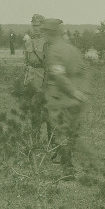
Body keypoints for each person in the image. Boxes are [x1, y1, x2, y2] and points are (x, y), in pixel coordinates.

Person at [41, 18, 90, 177]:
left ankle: (68, 167)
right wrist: (82, 92)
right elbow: (84, 71)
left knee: (61, 131)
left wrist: (73, 91)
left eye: (45, 32)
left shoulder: (55, 50)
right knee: (70, 130)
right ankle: (67, 161)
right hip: (77, 98)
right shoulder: (73, 49)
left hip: (61, 97)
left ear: (50, 33)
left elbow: (58, 75)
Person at [23, 14, 46, 92]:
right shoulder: (28, 42)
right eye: (34, 26)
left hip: (43, 75)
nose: (36, 28)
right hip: (31, 75)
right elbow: (26, 61)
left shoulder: (48, 42)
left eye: (38, 26)